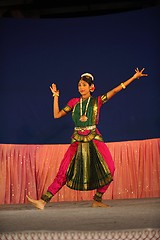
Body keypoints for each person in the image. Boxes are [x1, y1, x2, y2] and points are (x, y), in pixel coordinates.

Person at [27, 68, 148, 209]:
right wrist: (55, 96)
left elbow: (115, 91)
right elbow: (57, 115)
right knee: (64, 171)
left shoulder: (97, 101)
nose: (81, 87)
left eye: (84, 85)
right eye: (79, 85)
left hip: (94, 138)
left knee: (110, 168)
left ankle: (97, 199)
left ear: (91, 87)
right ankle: (42, 201)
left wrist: (133, 77)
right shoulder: (74, 102)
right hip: (77, 140)